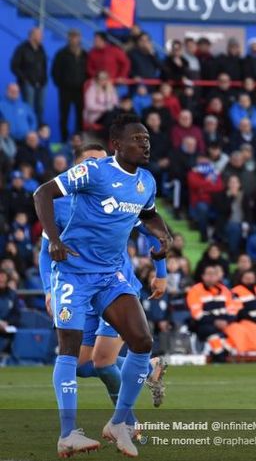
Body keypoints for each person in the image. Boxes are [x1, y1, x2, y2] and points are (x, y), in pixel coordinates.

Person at [33, 114, 172, 458]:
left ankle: (119, 421)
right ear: (116, 145)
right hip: (74, 274)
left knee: (142, 341)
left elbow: (148, 214)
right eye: (137, 139)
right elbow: (42, 192)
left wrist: (163, 235)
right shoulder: (94, 172)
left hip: (110, 275)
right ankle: (68, 433)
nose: (145, 144)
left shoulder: (146, 181)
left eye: (146, 139)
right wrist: (53, 240)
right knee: (72, 350)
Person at [186, 264, 237, 362]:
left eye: (214, 274)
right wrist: (216, 321)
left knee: (238, 330)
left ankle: (220, 354)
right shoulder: (195, 290)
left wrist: (225, 321)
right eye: (209, 274)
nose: (211, 276)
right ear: (203, 276)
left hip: (225, 323)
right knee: (210, 331)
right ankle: (221, 357)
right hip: (204, 324)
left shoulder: (225, 290)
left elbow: (232, 310)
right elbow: (197, 314)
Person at [51, 29, 87, 141]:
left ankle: (79, 139)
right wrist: (61, 84)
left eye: (76, 36)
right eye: (71, 37)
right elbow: (55, 71)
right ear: (68, 38)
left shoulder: (85, 54)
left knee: (80, 116)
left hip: (80, 90)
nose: (73, 39)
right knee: (64, 116)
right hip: (65, 90)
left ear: (79, 38)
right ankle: (64, 139)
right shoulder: (61, 54)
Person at [11, 27, 47, 122]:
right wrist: (24, 79)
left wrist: (45, 80)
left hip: (41, 84)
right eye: (39, 35)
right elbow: (14, 66)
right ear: (32, 36)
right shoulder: (22, 49)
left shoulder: (41, 49)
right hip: (27, 84)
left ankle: (38, 130)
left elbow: (44, 66)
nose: (42, 37)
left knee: (40, 108)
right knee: (28, 108)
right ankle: (28, 131)